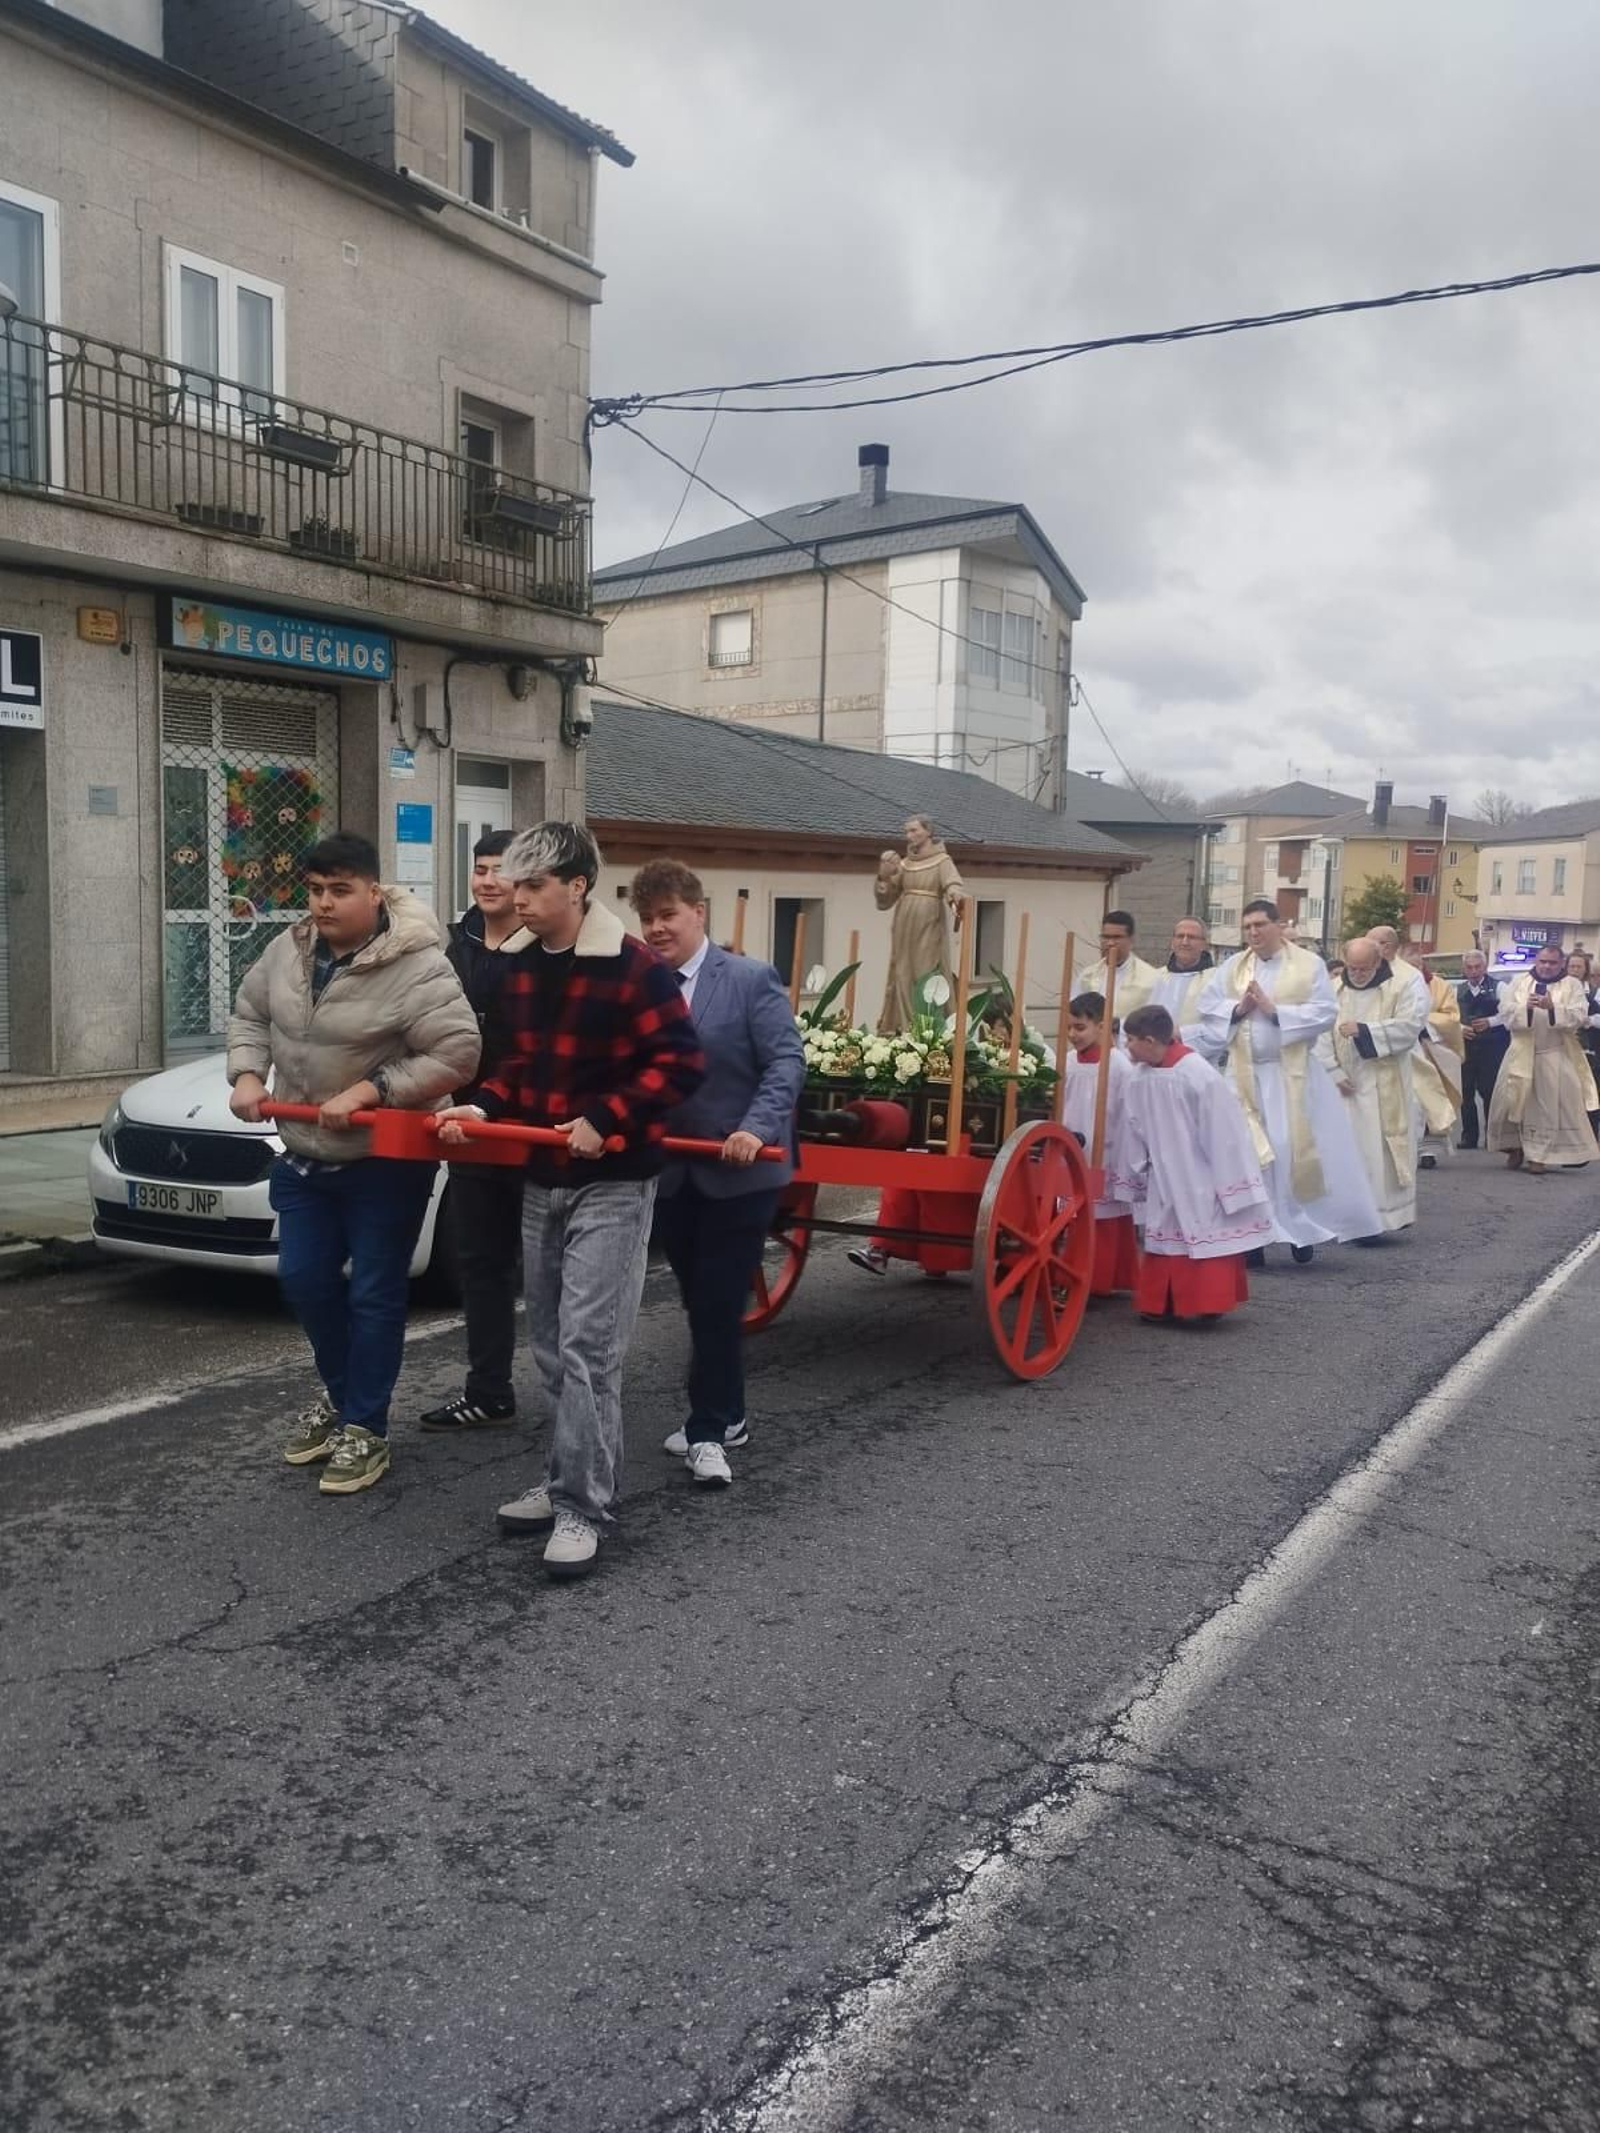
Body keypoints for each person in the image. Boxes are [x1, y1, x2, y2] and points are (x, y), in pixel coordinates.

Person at [437, 823, 705, 1579]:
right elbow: (518, 1062)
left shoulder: (634, 968)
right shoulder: (518, 968)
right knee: (552, 1345)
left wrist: (607, 1118)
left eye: (531, 886)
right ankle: (566, 1479)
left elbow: (682, 1062)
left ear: (576, 887)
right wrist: (484, 1107)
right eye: (511, 885)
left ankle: (584, 1507)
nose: (514, 898)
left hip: (615, 1184)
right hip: (540, 1177)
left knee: (589, 1347)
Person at [226, 831, 481, 1493]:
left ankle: (365, 1426)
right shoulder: (288, 948)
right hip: (307, 1153)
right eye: (314, 890)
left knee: (374, 1292)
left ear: (374, 891)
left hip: (385, 1159)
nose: (324, 903)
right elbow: (250, 1013)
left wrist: (373, 1089)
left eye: (340, 890)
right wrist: (248, 1075)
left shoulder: (419, 962)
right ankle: (346, 1400)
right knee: (305, 1280)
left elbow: (457, 1052)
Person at [630, 858, 805, 1488]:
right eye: (646, 918)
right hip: (673, 1169)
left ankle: (709, 1427)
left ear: (698, 913)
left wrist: (754, 1129)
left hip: (741, 1172)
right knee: (696, 1296)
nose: (655, 928)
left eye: (667, 915)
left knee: (717, 1296)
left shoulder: (750, 979)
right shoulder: (640, 983)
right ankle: (726, 1412)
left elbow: (785, 1063)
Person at [418, 830, 537, 1433]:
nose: (488, 880)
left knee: (545, 1264)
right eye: (480, 869)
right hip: (467, 1122)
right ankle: (488, 1390)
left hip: (535, 1123)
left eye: (501, 871)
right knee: (480, 1261)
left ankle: (576, 1392)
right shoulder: (452, 943)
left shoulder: (545, 947)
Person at [1198, 898, 1380, 1264]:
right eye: (1247, 926)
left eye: (1260, 925)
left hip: (1289, 1076)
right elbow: (1208, 1005)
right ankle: (1255, 1237)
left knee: (1286, 1150)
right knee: (1249, 1155)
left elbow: (1326, 1011)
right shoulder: (1233, 966)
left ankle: (1300, 1229)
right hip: (1243, 1075)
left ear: (1278, 926)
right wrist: (1238, 1009)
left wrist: (1273, 1010)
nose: (1253, 932)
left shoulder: (1308, 965)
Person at [1117, 1003, 1272, 1323]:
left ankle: (1205, 1302)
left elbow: (1224, 1131)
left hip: (1200, 1171)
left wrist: (1231, 1185)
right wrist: (1135, 1169)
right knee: (1164, 1234)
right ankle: (1162, 1302)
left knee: (1203, 1231)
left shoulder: (1197, 1074)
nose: (1125, 1046)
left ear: (1149, 1041)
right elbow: (1131, 1126)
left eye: (1130, 1039)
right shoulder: (1139, 1078)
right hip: (1162, 1172)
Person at [1315, 936, 1425, 1236]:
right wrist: (1333, 1070)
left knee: (1379, 1153)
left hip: (1383, 1082)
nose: (1358, 974)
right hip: (1344, 1085)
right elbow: (1321, 1031)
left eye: (1364, 968)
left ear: (1378, 962)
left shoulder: (1400, 986)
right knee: (1344, 1152)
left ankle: (1381, 1219)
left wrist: (1365, 1031)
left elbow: (1411, 1026)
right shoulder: (1335, 989)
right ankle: (1347, 1218)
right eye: (1352, 968)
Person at [1058, 991, 1140, 1296]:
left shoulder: (1119, 1066)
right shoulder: (1065, 1061)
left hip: (1106, 1151)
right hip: (1070, 1147)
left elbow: (1128, 1115)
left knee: (1101, 1217)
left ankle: (1097, 1279)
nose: (1072, 1034)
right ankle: (1070, 1273)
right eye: (1069, 1027)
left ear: (1102, 1027)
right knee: (1072, 1215)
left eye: (1080, 1028)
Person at [1487, 944, 1595, 1175]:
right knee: (1509, 1103)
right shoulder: (1519, 981)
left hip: (1551, 1054)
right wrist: (1524, 1007)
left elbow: (1579, 1015)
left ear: (1561, 963)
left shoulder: (1572, 985)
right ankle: (1513, 1147)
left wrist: (1552, 1007)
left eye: (1552, 963)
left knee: (1545, 1108)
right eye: (1543, 961)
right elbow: (1504, 1011)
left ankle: (1539, 1156)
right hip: (1520, 1051)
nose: (1546, 966)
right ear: (1537, 961)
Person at [874, 814, 965, 1032]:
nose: (909, 835)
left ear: (928, 831)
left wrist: (955, 895)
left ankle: (928, 1027)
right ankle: (906, 1027)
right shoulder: (904, 864)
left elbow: (952, 883)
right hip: (904, 924)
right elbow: (885, 900)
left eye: (914, 830)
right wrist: (884, 877)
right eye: (907, 831)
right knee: (902, 972)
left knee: (925, 971)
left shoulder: (942, 861)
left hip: (929, 922)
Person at [1404, 948, 1464, 1169]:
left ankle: (1428, 1150)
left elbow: (1451, 1017)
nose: (1415, 971)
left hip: (1431, 1050)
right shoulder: (1394, 985)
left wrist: (1421, 1020)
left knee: (1432, 1100)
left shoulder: (1440, 986)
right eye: (1410, 967)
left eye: (1419, 966)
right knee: (1412, 1102)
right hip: (1404, 1051)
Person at [1456, 950, 1507, 1150]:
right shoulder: (1456, 990)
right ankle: (1469, 1136)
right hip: (1466, 1047)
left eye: (1478, 967)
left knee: (1490, 1092)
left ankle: (1491, 1137)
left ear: (1485, 967)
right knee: (1465, 1093)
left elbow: (1509, 1014)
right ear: (1464, 969)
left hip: (1492, 1047)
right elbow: (1450, 1016)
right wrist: (1460, 1029)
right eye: (1469, 967)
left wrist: (1490, 1022)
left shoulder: (1500, 987)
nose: (1474, 971)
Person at [1149, 916, 1218, 1057]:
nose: (1185, 942)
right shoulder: (1156, 977)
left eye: (1192, 937)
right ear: (1172, 941)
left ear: (1204, 944)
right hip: (1157, 1061)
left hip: (1198, 1063)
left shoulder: (1216, 979)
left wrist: (1181, 1033)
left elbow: (1221, 1029)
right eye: (1180, 936)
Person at [1077, 910, 1160, 1023]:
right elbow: (1073, 1014)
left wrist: (1119, 1026)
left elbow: (1155, 1022)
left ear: (1131, 940)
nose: (1110, 943)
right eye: (1106, 937)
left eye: (1117, 937)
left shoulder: (1151, 978)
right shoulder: (1088, 976)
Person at [1566, 950, 1600, 1137]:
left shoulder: (1594, 993)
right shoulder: (1559, 989)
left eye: (1579, 966)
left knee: (1590, 1091)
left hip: (1590, 1050)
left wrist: (1589, 1020)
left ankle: (1593, 1136)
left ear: (1585, 969)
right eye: (1571, 966)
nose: (1574, 970)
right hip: (1564, 1048)